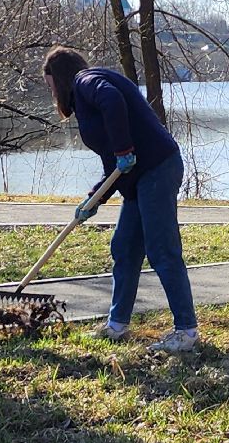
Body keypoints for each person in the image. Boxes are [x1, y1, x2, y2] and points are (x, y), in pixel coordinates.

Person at [41, 46, 200, 353]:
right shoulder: (85, 99)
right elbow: (114, 167)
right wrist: (93, 199)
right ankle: (117, 325)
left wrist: (124, 149)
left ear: (59, 78)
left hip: (157, 168)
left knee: (161, 249)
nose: (52, 94)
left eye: (50, 86)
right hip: (139, 178)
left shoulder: (86, 81)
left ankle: (186, 330)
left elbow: (113, 102)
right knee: (125, 247)